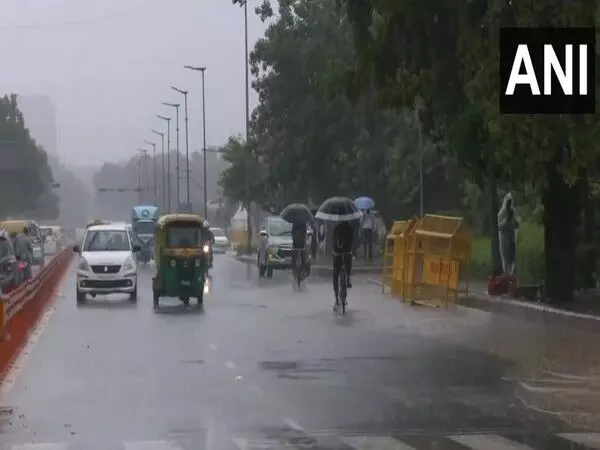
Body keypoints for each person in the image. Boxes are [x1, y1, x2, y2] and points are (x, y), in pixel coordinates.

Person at [332, 220, 353, 309]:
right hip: (347, 253)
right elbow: (353, 241)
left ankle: (336, 299)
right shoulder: (350, 228)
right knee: (348, 266)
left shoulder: (336, 227)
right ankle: (347, 279)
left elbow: (332, 241)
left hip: (337, 254)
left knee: (335, 276)